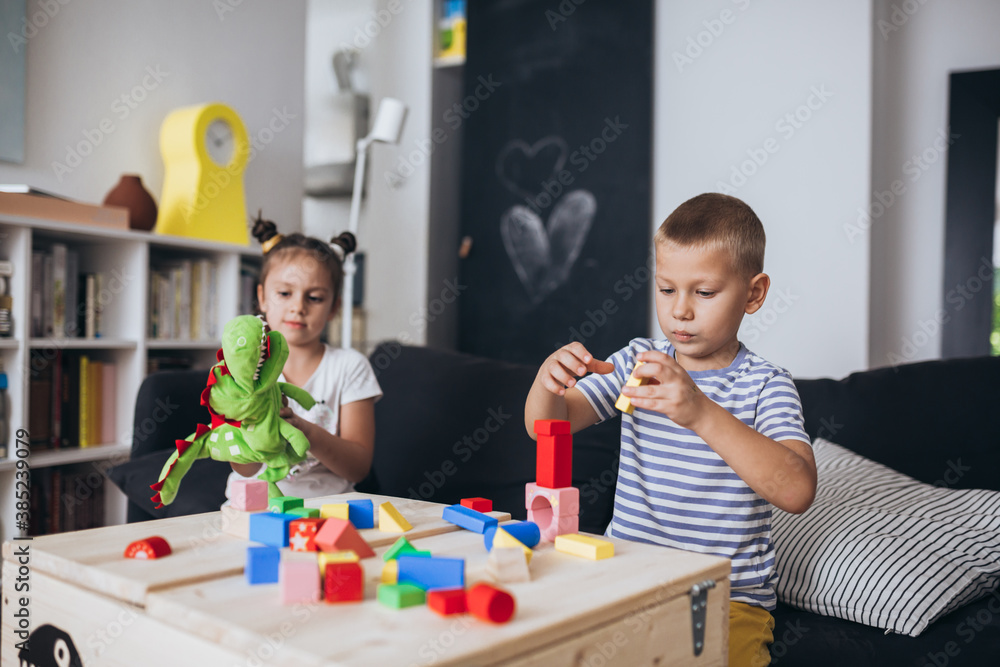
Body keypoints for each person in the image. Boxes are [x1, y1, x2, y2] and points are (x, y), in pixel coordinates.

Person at [524, 193, 816, 667]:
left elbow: (798, 489)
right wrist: (546, 383)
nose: (680, 310)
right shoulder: (640, 362)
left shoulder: (766, 385)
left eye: (704, 293)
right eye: (666, 289)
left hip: (728, 597)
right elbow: (547, 428)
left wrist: (699, 411)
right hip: (626, 578)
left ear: (754, 293)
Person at [226, 214, 382, 500]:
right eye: (284, 293)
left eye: (315, 298)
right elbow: (244, 468)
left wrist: (305, 431)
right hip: (253, 505)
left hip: (330, 507)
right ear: (262, 297)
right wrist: (255, 424)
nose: (298, 307)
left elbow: (358, 468)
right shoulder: (242, 366)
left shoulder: (351, 367)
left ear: (333, 307)